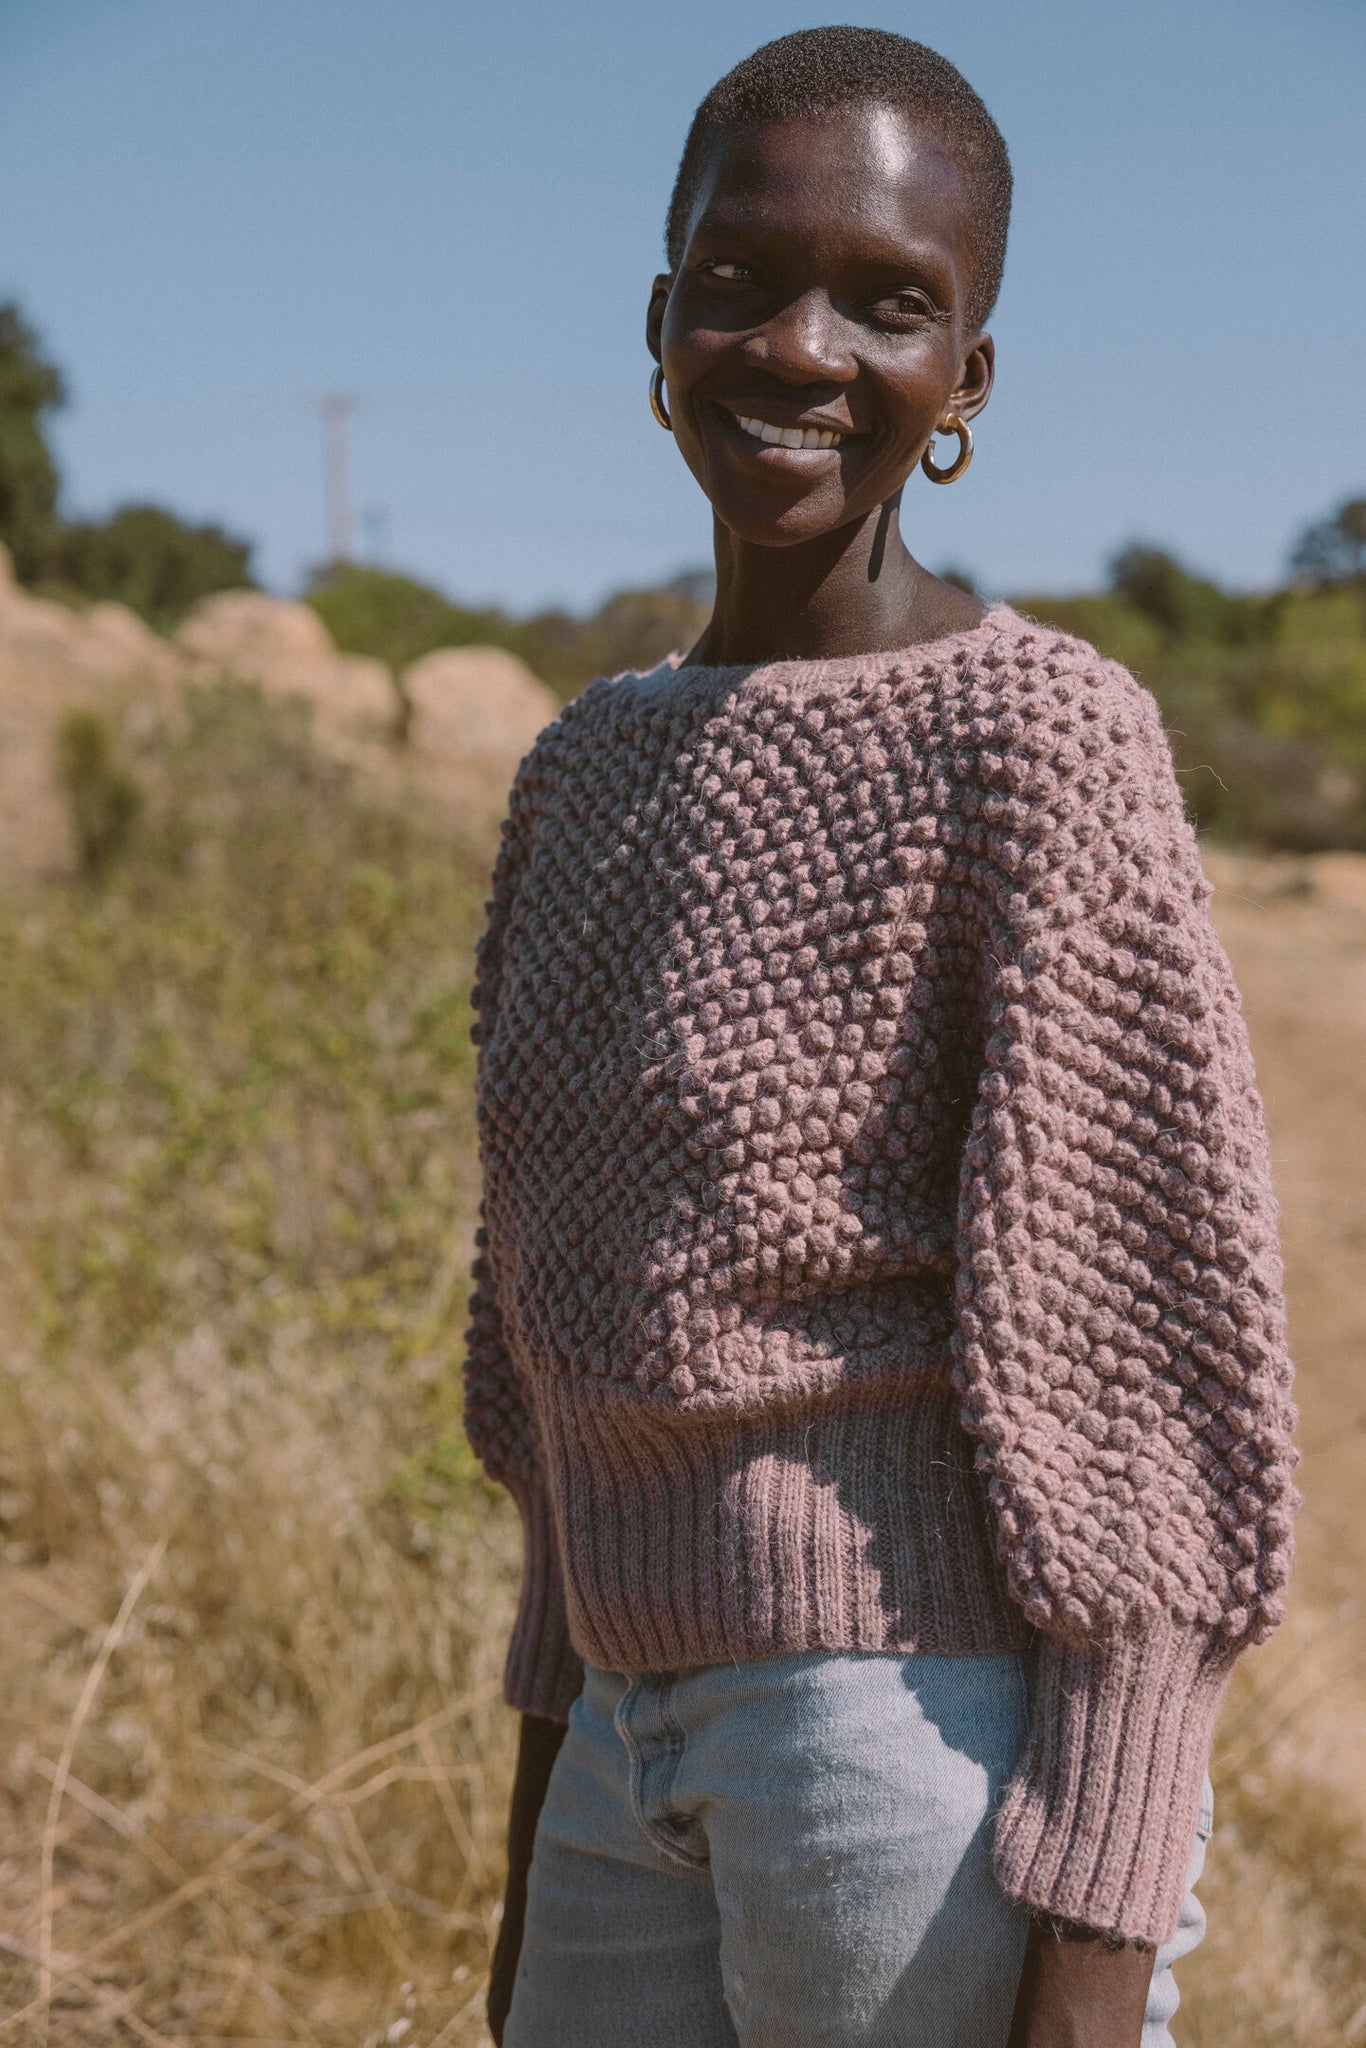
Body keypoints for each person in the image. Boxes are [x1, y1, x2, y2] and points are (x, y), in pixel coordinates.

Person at [463, 27, 1297, 2048]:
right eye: (739, 281)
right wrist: (533, 1827)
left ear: (965, 382)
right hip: (611, 1763)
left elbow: (1146, 1394)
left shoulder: (1034, 741)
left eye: (887, 301)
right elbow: (564, 1345)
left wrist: (1093, 1937)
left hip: (902, 1759)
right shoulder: (584, 774)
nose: (798, 347)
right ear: (660, 321)